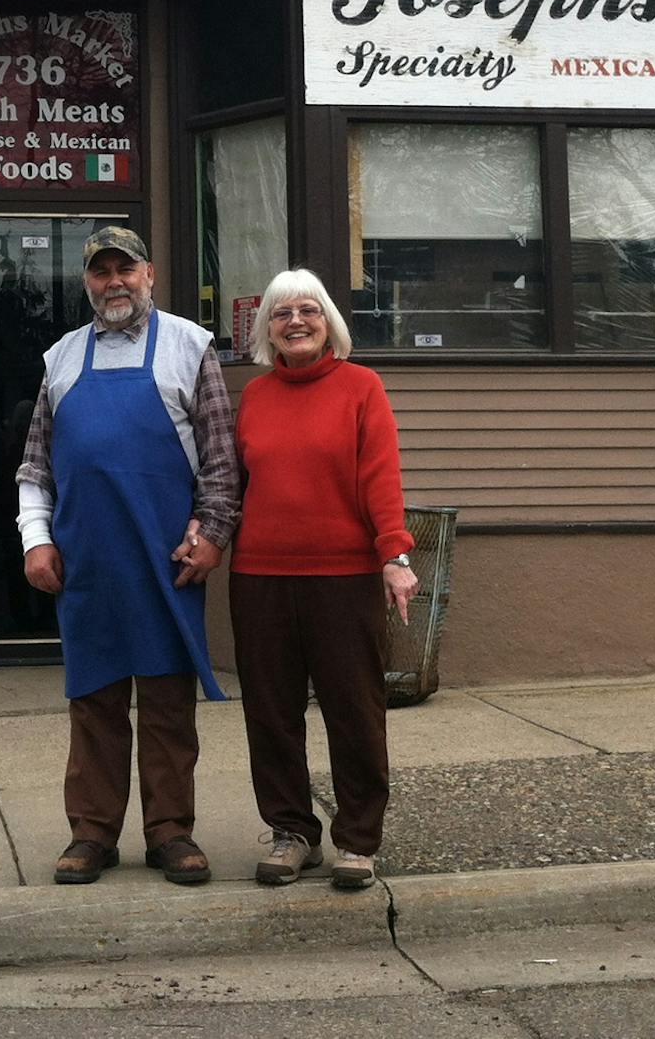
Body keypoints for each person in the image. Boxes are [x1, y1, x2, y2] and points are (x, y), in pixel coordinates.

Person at [16, 225, 238, 886]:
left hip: (166, 555)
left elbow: (222, 464)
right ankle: (92, 832)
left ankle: (171, 830)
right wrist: (37, 538)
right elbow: (36, 466)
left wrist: (211, 534)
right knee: (95, 700)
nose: (114, 281)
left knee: (168, 700)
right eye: (100, 271)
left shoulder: (190, 347)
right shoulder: (60, 357)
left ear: (151, 273)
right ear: (87, 281)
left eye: (125, 268)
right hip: (87, 559)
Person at [232, 268, 416, 891]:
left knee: (354, 710)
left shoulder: (361, 388)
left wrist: (395, 555)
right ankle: (292, 834)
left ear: (328, 321)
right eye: (282, 314)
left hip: (342, 576)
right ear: (268, 330)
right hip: (260, 576)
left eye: (308, 310)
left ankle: (358, 840)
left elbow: (381, 478)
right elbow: (234, 485)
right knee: (272, 713)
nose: (296, 322)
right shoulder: (254, 397)